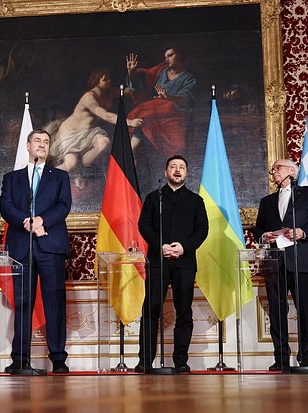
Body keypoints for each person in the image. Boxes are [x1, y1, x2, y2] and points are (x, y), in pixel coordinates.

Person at [0, 129, 72, 374]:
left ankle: (58, 359)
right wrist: (27, 222)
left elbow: (64, 205)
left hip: (51, 246)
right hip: (22, 247)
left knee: (55, 302)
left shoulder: (60, 176)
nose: (42, 145)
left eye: (46, 142)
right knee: (23, 303)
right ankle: (20, 359)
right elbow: (6, 206)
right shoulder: (12, 178)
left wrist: (41, 220)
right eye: (37, 141)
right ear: (28, 146)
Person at [253, 159, 308, 371]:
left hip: (302, 261)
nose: (274, 171)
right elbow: (258, 229)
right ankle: (281, 359)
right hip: (275, 263)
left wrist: (303, 232)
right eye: (273, 169)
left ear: (291, 171)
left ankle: (306, 358)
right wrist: (264, 236)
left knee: (305, 311)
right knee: (277, 313)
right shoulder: (267, 201)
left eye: (278, 168)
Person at [136, 155, 208, 373]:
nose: (177, 170)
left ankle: (181, 361)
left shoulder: (195, 201)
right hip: (158, 261)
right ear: (166, 172)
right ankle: (145, 361)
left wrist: (183, 247)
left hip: (184, 262)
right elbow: (144, 225)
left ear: (186, 173)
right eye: (173, 167)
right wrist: (161, 246)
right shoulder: (153, 198)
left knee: (184, 311)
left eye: (182, 167)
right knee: (151, 309)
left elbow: (202, 230)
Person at [48, 68, 143, 188]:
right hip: (71, 132)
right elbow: (105, 115)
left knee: (104, 142)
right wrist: (129, 122)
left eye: (109, 78)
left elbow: (131, 91)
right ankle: (45, 179)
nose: (109, 81)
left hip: (89, 132)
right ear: (96, 81)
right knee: (71, 164)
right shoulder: (89, 97)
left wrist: (131, 73)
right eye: (105, 79)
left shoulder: (109, 93)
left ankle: (80, 169)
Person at [125, 48, 197, 156]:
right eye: (165, 56)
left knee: (175, 148)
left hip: (174, 115)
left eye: (170, 55)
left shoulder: (189, 78)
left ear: (180, 55)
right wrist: (132, 73)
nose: (166, 59)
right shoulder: (162, 70)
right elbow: (145, 77)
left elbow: (186, 98)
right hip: (154, 112)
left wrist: (169, 97)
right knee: (139, 123)